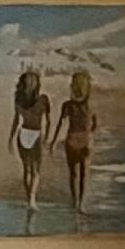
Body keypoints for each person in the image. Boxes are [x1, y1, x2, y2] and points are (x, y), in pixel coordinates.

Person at [55, 69, 99, 216]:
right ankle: (82, 204)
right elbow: (95, 125)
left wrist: (54, 141)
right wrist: (89, 133)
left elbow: (60, 124)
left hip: (72, 139)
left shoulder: (67, 105)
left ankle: (75, 203)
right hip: (86, 140)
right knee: (84, 174)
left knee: (73, 174)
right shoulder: (91, 106)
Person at [11, 68, 51, 221]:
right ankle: (32, 199)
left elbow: (16, 121)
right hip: (35, 135)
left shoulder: (19, 99)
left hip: (23, 134)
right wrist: (46, 138)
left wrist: (11, 138)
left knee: (27, 170)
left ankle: (30, 199)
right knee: (35, 171)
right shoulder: (43, 99)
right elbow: (48, 121)